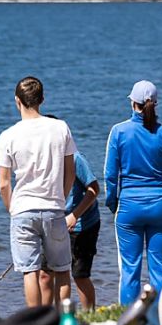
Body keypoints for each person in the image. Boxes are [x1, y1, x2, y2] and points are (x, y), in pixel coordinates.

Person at [0, 77, 76, 308]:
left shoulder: (8, 136)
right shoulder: (61, 128)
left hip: (23, 209)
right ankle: (65, 323)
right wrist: (61, 197)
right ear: (42, 99)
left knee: (29, 271)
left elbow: (3, 183)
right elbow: (70, 172)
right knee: (62, 270)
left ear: (17, 101)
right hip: (54, 207)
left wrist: (12, 208)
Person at [105, 80, 162, 305]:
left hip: (129, 206)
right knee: (160, 270)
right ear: (155, 104)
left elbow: (111, 176)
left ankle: (128, 322)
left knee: (130, 270)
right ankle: (161, 321)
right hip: (161, 207)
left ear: (132, 103)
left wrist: (114, 205)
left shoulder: (118, 132)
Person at [37, 116, 101, 310]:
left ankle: (90, 316)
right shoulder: (41, 159)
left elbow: (94, 189)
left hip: (83, 224)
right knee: (45, 274)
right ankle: (45, 319)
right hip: (53, 223)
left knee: (79, 275)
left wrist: (74, 215)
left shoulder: (75, 159)